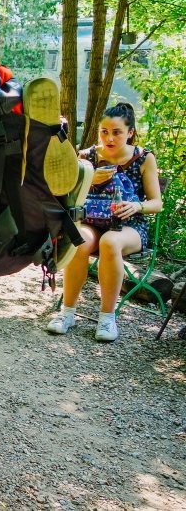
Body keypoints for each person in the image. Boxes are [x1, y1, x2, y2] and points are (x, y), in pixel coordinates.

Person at [46, 102, 163, 342]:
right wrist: (88, 180)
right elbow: (68, 194)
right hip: (93, 220)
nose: (109, 138)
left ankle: (107, 318)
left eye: (117, 132)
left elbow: (156, 203)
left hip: (130, 225)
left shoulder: (144, 158)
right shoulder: (87, 156)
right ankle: (67, 313)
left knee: (110, 242)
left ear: (130, 132)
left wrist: (137, 205)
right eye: (104, 132)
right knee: (79, 240)